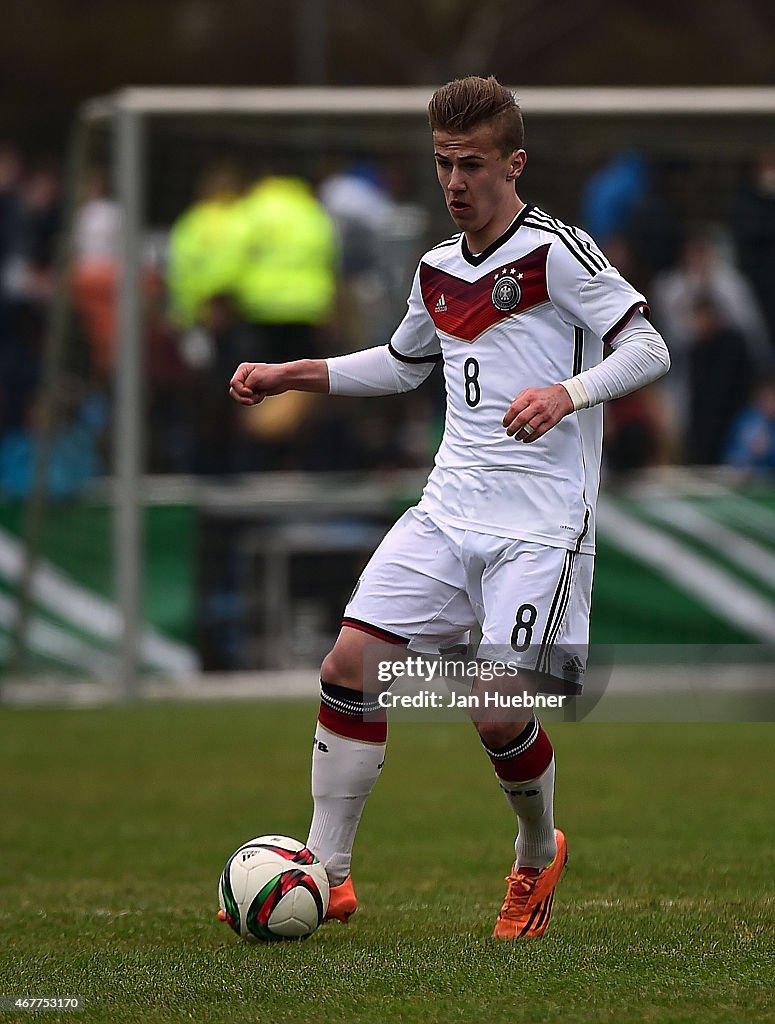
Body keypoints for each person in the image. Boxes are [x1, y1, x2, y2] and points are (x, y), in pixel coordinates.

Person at [226, 76, 670, 939]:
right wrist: (294, 373)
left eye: (470, 164)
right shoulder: (435, 267)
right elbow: (400, 363)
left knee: (496, 706)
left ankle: (536, 853)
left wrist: (568, 393)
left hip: (540, 524)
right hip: (446, 507)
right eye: (442, 165)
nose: (455, 182)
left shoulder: (557, 255)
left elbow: (647, 346)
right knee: (348, 666)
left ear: (514, 163)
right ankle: (329, 873)